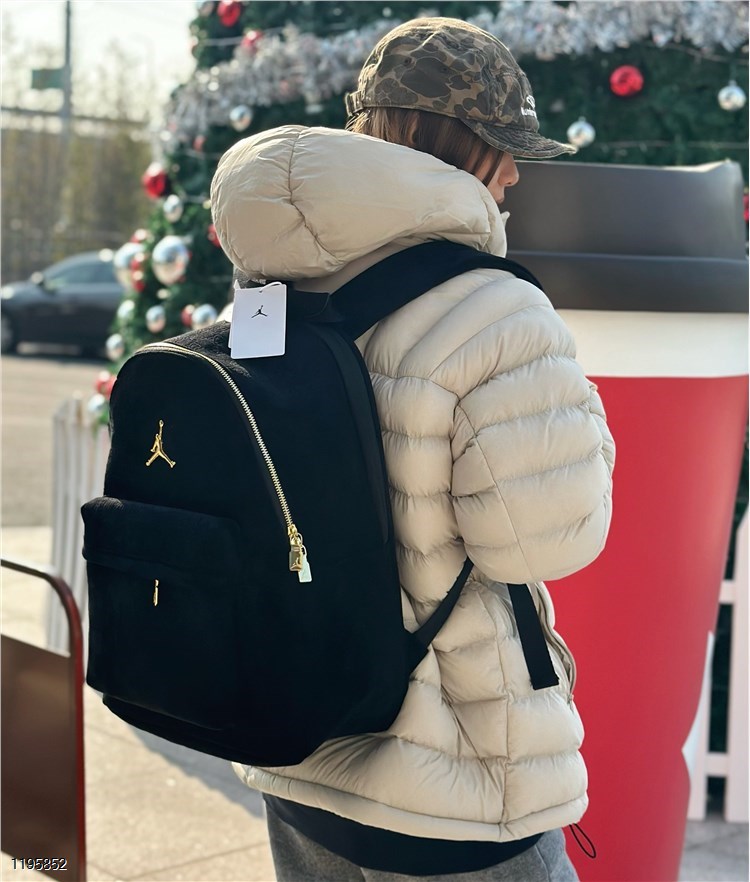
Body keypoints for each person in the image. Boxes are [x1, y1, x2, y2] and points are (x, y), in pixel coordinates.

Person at [210, 16, 615, 882]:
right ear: (456, 146)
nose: (513, 174)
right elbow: (543, 541)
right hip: (454, 779)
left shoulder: (262, 291)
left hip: (299, 744)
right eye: (502, 149)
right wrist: (584, 416)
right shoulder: (492, 309)